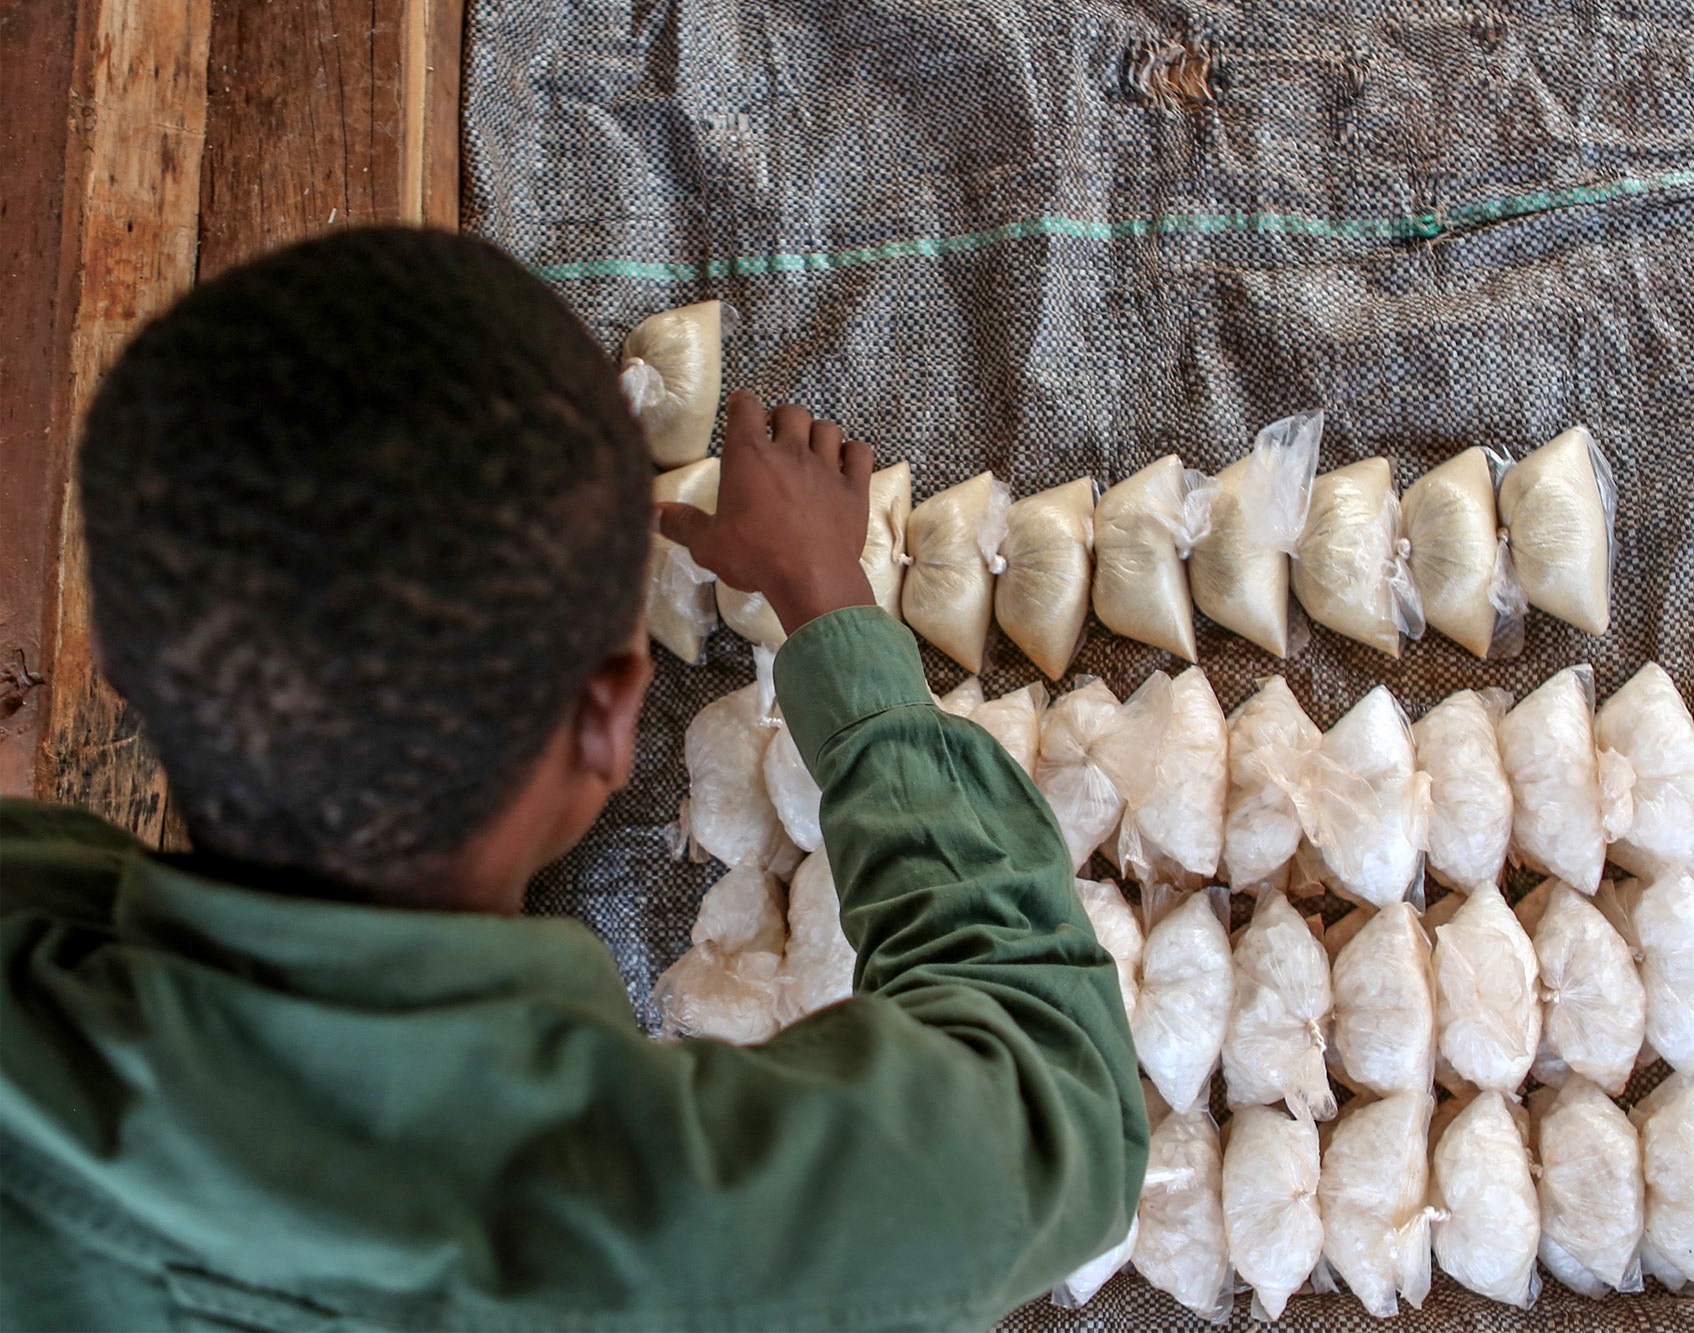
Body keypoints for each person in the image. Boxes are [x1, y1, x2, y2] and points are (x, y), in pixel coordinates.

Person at [0, 228, 1147, 1331]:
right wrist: (827, 602)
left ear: (118, 661)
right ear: (610, 717)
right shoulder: (684, 1241)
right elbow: (1057, 1101)